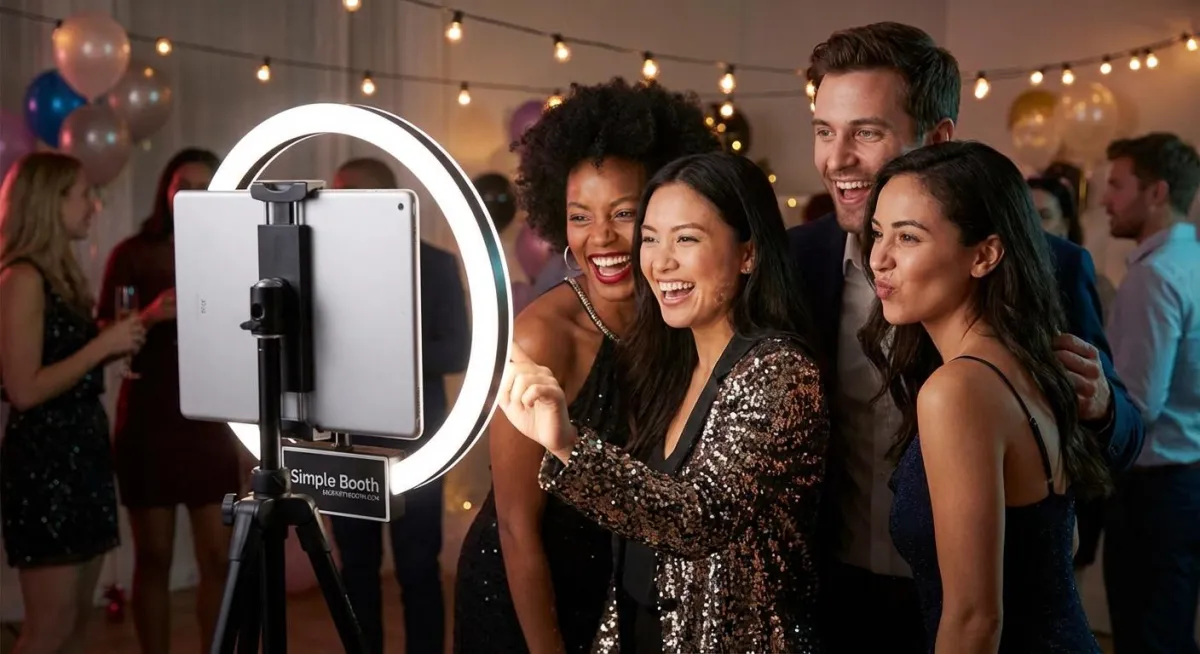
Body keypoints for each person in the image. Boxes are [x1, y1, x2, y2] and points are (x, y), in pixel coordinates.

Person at [788, 22, 1145, 653]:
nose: (835, 159)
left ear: (939, 138)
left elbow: (1117, 449)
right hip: (835, 599)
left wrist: (1103, 407)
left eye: (866, 132)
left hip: (984, 613)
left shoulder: (1048, 265)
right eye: (824, 131)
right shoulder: (794, 263)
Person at [497, 151, 827, 653]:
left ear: (748, 254)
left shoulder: (779, 372)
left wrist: (567, 443)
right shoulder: (670, 362)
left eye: (686, 239)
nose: (660, 261)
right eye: (650, 238)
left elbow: (699, 518)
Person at [453, 79, 720, 654]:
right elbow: (516, 528)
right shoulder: (541, 337)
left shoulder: (680, 317)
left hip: (618, 594)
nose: (601, 238)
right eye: (579, 216)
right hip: (527, 598)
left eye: (624, 213)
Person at [862, 140, 1107, 652]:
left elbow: (975, 622)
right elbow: (1063, 544)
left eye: (907, 237)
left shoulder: (958, 390)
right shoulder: (1028, 362)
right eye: (878, 233)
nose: (878, 259)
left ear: (985, 255)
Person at [97, 148, 242, 654]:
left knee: (219, 557)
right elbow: (102, 331)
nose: (193, 195)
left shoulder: (233, 250)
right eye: (185, 184)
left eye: (206, 186)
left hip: (212, 421)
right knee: (154, 555)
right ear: (166, 188)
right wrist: (152, 315)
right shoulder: (134, 252)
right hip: (151, 416)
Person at [324, 157, 470, 654]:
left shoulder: (435, 263)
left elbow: (458, 350)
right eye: (335, 195)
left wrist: (390, 348)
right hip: (346, 440)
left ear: (391, 201)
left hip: (420, 442)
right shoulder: (322, 264)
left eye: (353, 195)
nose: (340, 206)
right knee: (355, 571)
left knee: (418, 569)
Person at [0, 152, 145, 653]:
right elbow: (24, 389)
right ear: (49, 202)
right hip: (47, 468)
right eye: (84, 195)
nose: (94, 206)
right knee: (49, 630)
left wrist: (107, 340)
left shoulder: (61, 277)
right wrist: (101, 348)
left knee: (76, 627)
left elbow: (61, 360)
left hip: (81, 459)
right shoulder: (21, 279)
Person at [1100, 133, 1200, 654]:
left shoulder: (1154, 276)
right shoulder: (1194, 262)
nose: (1104, 200)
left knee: (1147, 638)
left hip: (1152, 491)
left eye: (1117, 185)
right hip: (1187, 481)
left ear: (1157, 192)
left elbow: (1137, 404)